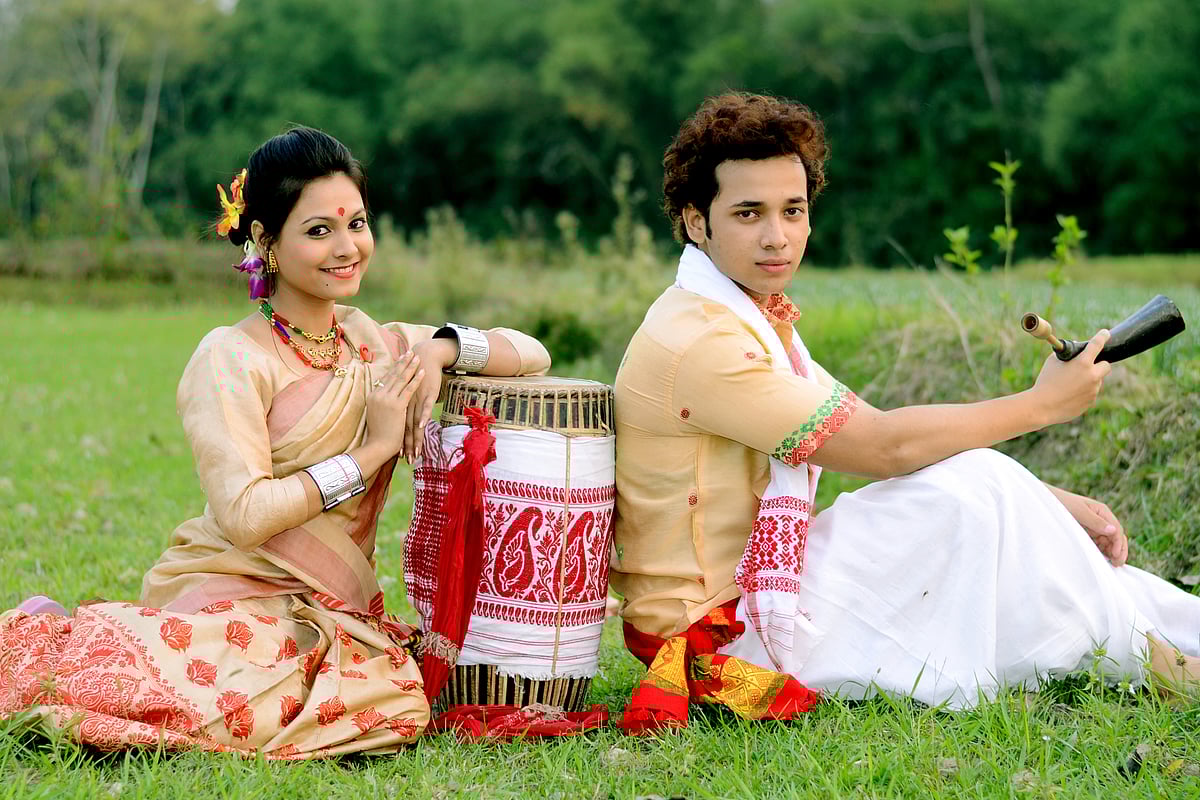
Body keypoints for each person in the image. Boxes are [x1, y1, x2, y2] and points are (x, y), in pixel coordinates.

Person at [611, 92, 1200, 729]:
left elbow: (875, 427)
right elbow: (882, 447)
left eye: (793, 210)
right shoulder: (702, 340)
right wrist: (1039, 407)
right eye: (749, 213)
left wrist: (1048, 500)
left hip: (761, 587)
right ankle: (1150, 657)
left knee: (978, 488)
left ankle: (1169, 636)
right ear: (697, 221)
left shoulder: (739, 315)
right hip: (715, 636)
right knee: (972, 494)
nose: (777, 237)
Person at [0, 127, 551, 758]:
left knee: (392, 700)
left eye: (358, 224)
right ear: (265, 241)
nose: (348, 248)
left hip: (326, 614)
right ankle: (60, 643)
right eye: (319, 231)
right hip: (230, 593)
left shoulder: (375, 345)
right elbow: (244, 516)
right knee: (225, 692)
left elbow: (532, 352)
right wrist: (369, 454)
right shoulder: (231, 357)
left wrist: (442, 346)